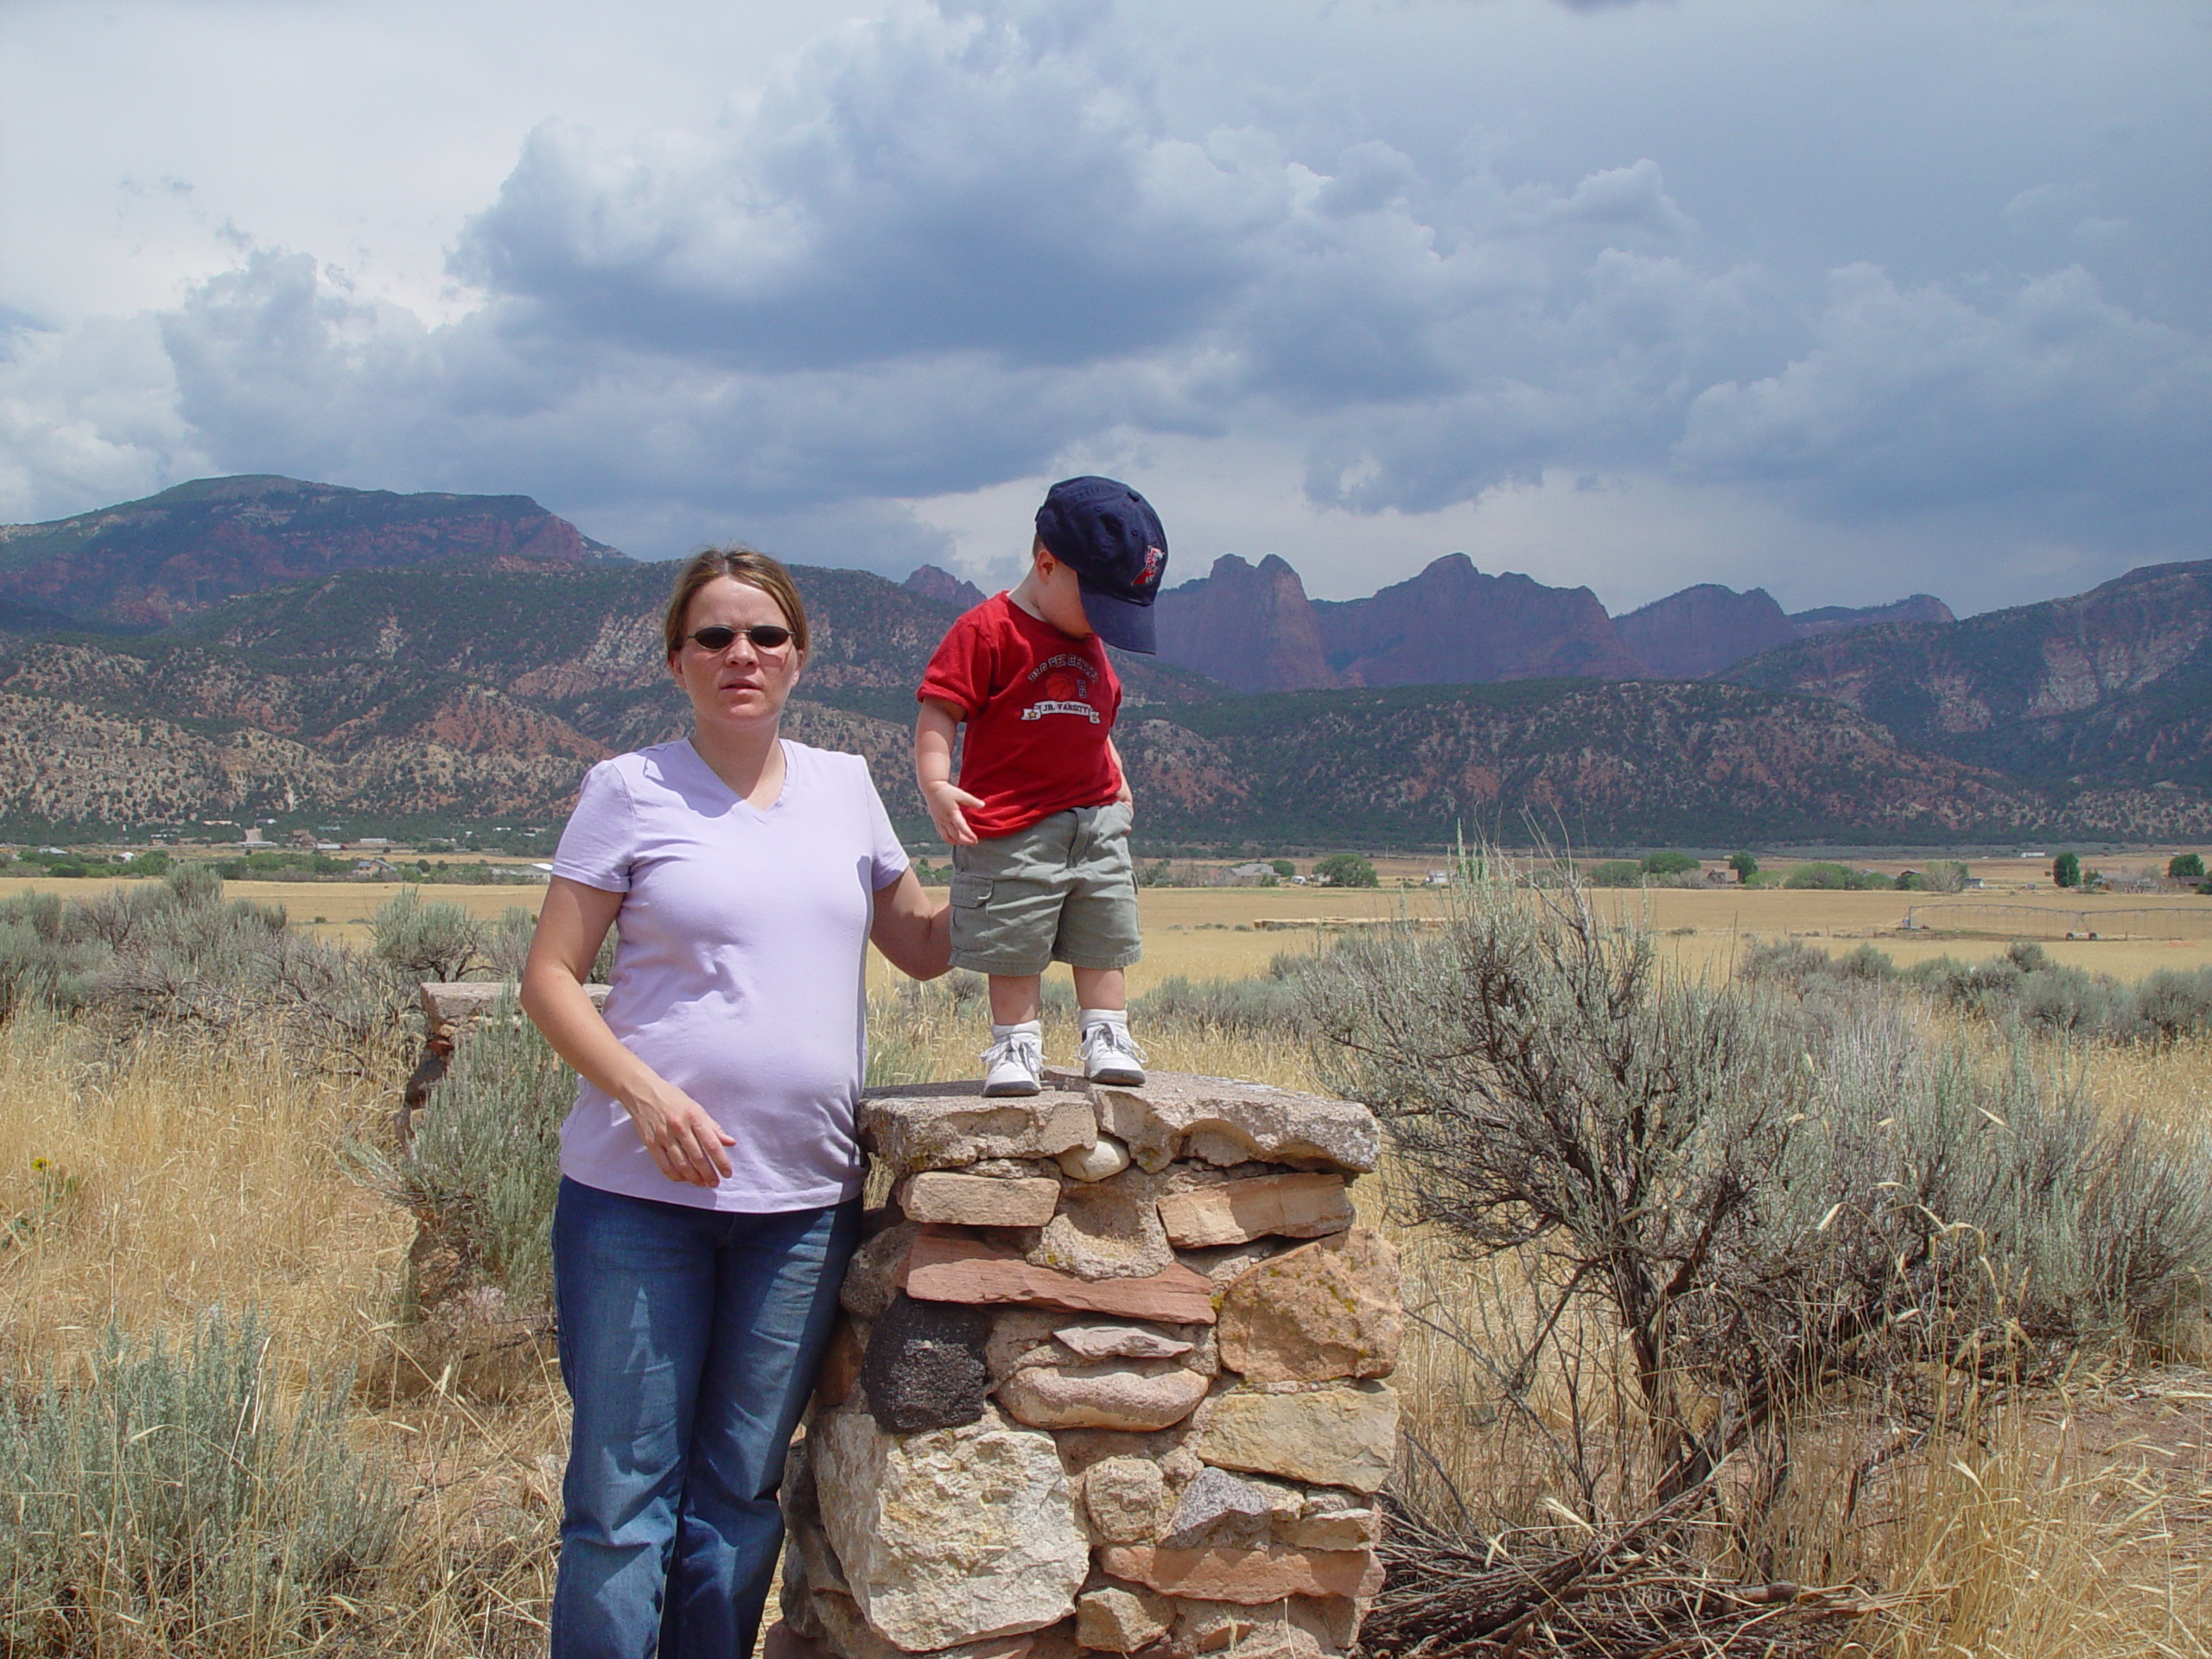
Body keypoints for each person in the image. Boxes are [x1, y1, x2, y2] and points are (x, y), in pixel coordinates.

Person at [521, 546, 950, 1659]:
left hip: (801, 1205)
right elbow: (550, 978)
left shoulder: (846, 787)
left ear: (798, 656)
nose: (740, 655)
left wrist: (1035, 846)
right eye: (713, 636)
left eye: (763, 635)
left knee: (737, 1497)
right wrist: (643, 1092)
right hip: (634, 1199)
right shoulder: (629, 789)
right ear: (676, 660)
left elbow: (921, 947)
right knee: (622, 1506)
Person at [912, 475, 1168, 1096]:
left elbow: (1094, 723)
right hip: (1012, 825)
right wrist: (937, 785)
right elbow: (939, 712)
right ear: (1046, 564)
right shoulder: (987, 630)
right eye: (1099, 607)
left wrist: (1121, 787)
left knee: (1104, 931)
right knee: (1014, 938)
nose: (1103, 627)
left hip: (1095, 821)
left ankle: (1107, 1035)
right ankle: (1015, 1045)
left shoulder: (1089, 642)